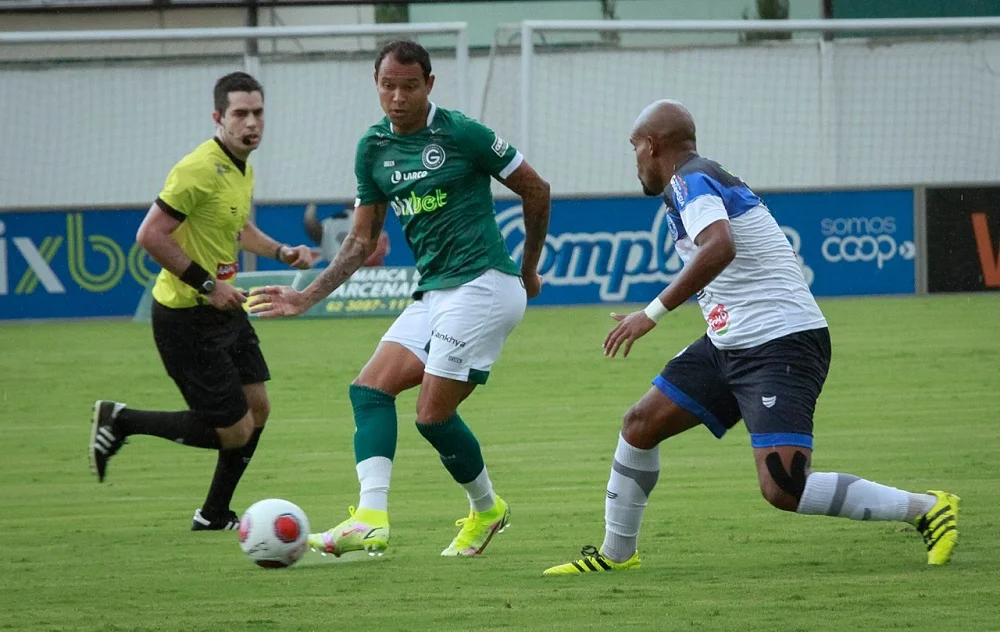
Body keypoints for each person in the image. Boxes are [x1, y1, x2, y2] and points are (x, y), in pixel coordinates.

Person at [543, 100, 959, 575]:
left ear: (652, 145)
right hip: (730, 340)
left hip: (781, 342)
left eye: (634, 146)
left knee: (784, 485)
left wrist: (652, 314)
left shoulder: (689, 179)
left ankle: (927, 508)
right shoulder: (694, 180)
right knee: (640, 424)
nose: (634, 156)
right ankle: (617, 555)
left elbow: (720, 247)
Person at [249, 40, 551, 557]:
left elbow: (537, 189)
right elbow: (362, 239)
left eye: (409, 86)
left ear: (429, 85)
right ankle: (371, 518)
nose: (397, 97)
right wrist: (306, 297)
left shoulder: (462, 134)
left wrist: (527, 269)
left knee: (432, 415)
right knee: (368, 391)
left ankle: (486, 511)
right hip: (434, 291)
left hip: (484, 285)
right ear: (376, 84)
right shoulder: (373, 149)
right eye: (388, 86)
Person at [88, 71, 313, 531]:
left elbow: (239, 228)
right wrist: (210, 285)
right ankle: (122, 420)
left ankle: (213, 515)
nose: (252, 122)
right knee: (235, 430)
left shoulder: (240, 166)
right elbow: (150, 235)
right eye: (240, 113)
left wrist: (281, 252)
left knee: (259, 408)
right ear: (218, 117)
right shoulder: (196, 169)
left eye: (258, 112)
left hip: (224, 311)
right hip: (186, 316)